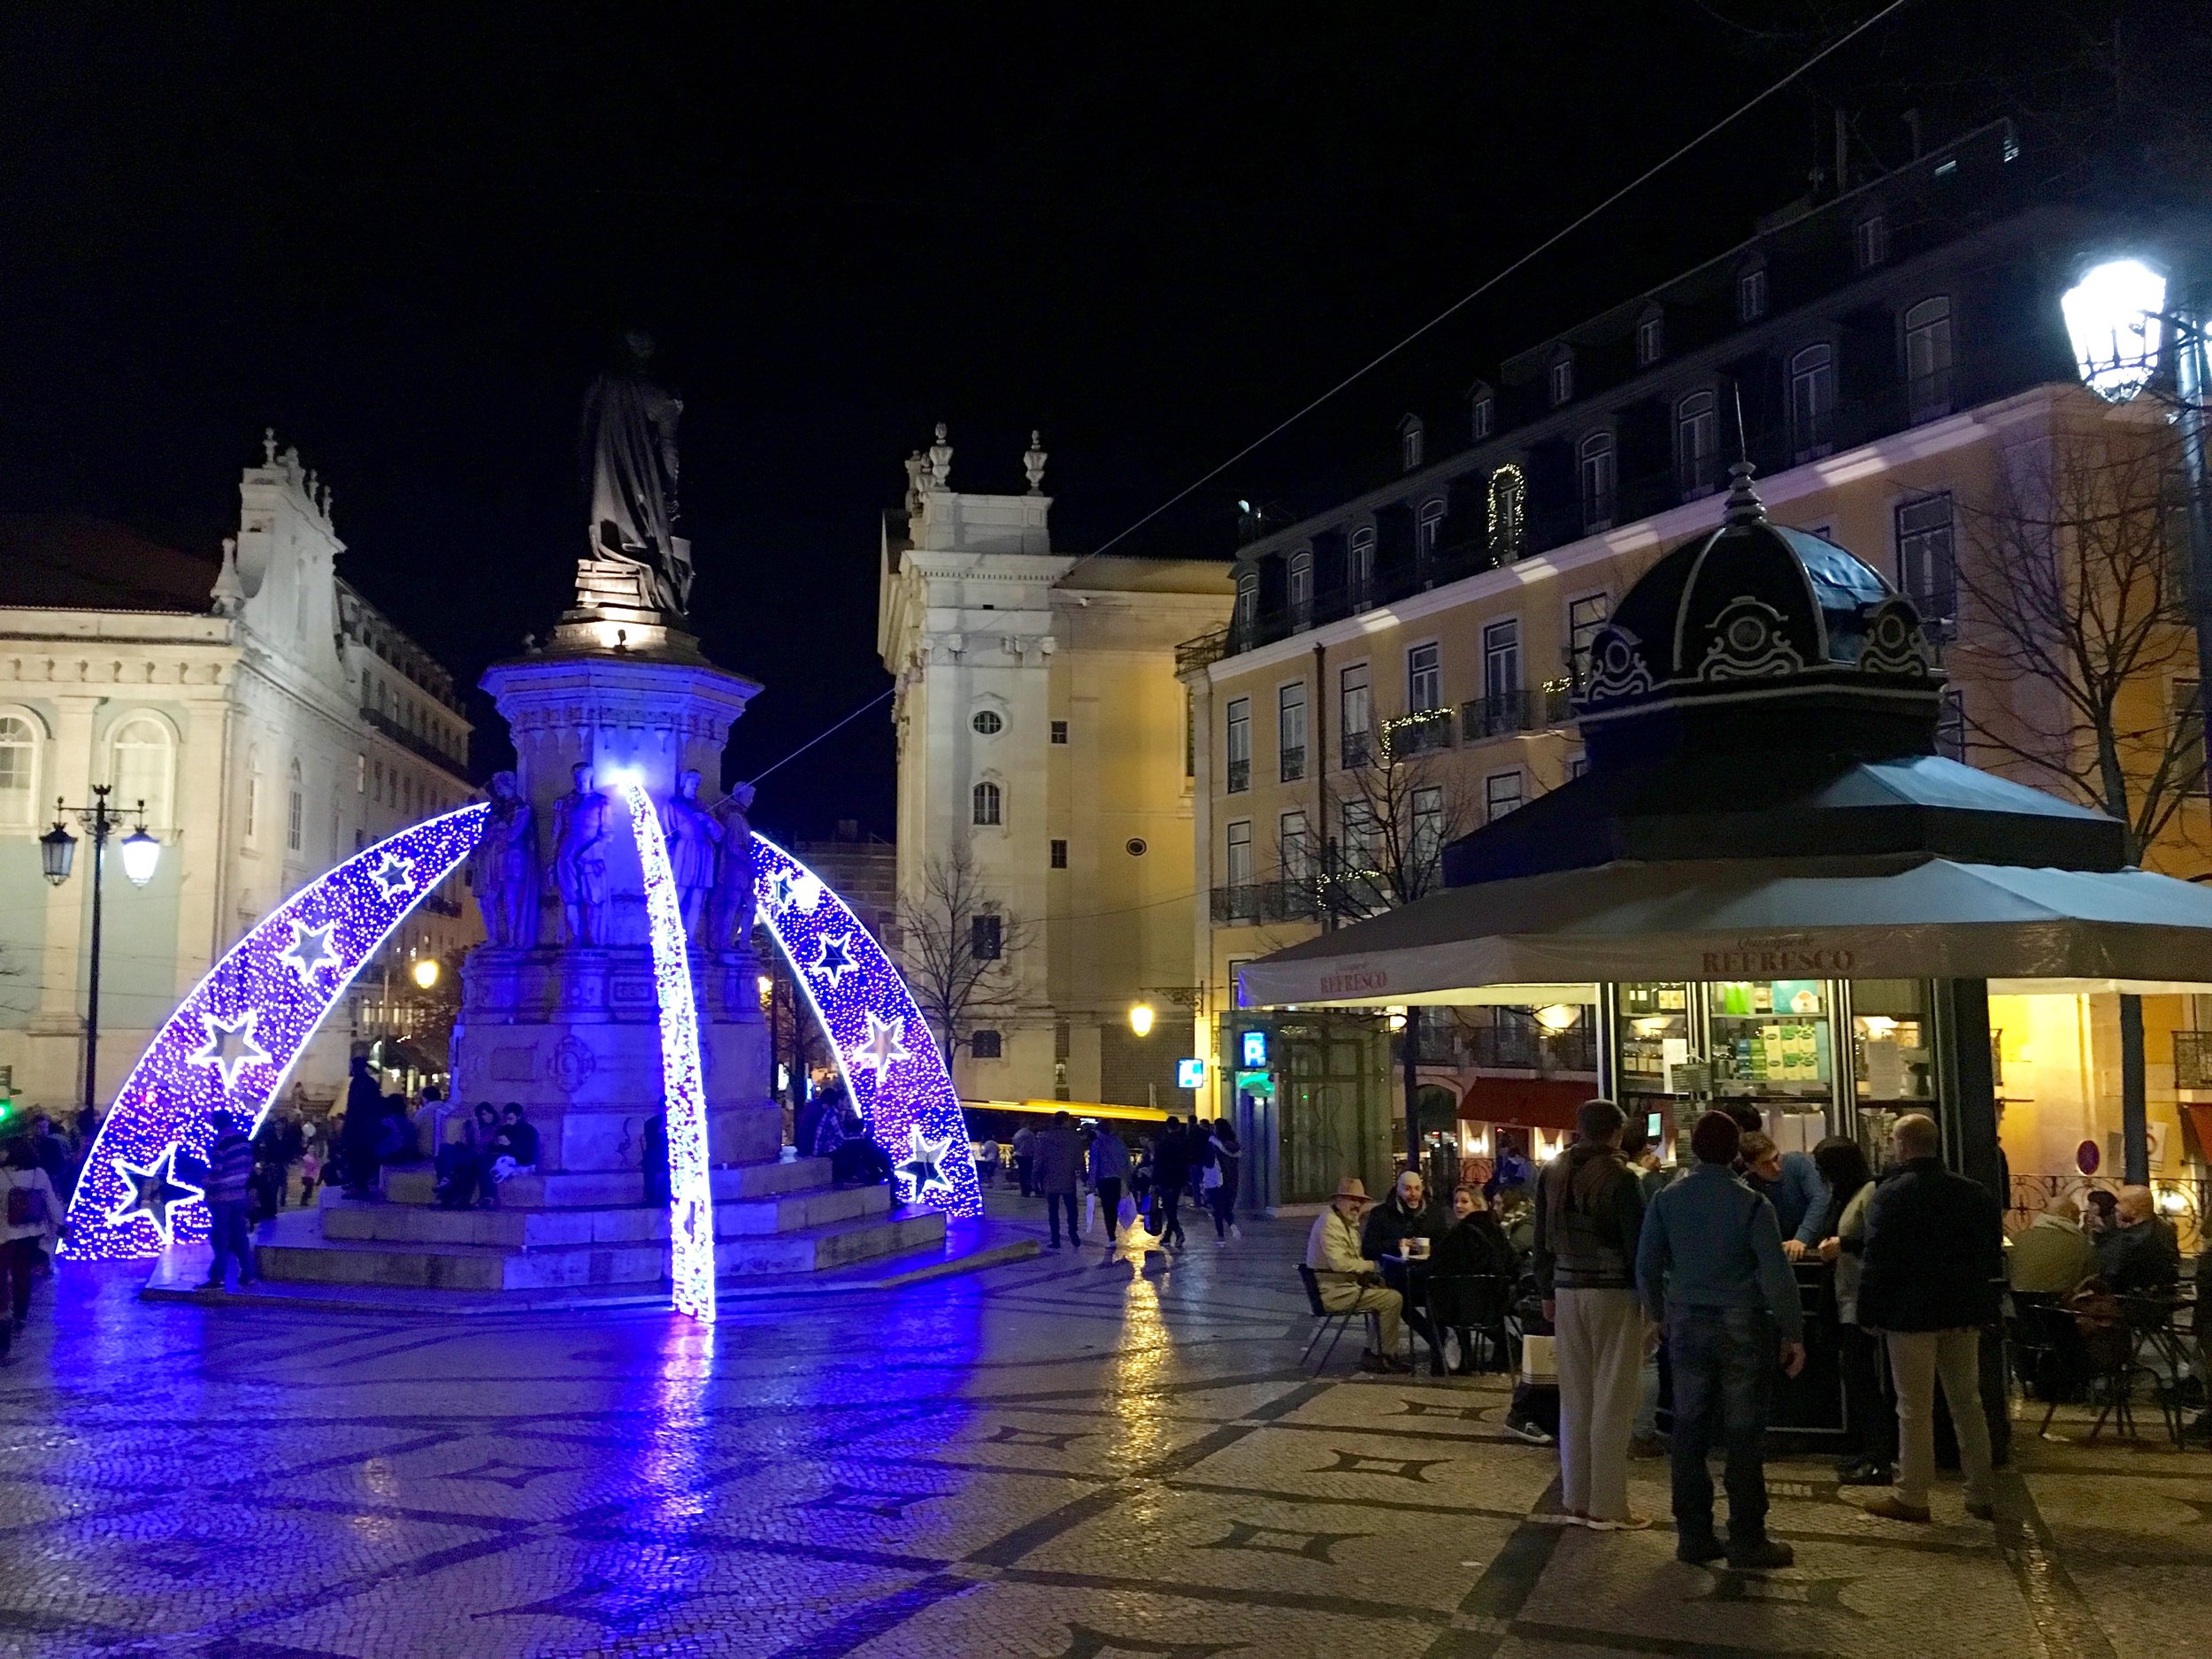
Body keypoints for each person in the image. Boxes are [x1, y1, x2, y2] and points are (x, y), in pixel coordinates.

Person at [1637, 1110, 1804, 1568]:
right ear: (1735, 1152)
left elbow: (1647, 1262)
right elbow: (1776, 1273)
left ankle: (1693, 1534)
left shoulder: (1668, 1200)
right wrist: (1793, 1331)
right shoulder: (1752, 1204)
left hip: (1688, 1321)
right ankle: (1748, 1536)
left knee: (1689, 1428)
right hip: (1743, 1324)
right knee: (1744, 1430)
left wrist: (1657, 1313)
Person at [1855, 1112, 2001, 1525]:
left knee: (1913, 1406)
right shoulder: (1974, 1194)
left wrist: (1869, 1312)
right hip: (1962, 1311)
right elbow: (1990, 1256)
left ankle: (1913, 1494)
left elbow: (1877, 1259)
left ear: (1902, 1145)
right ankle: (1980, 1492)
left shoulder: (1891, 1195)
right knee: (1968, 1402)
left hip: (1910, 1314)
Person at [1532, 1098, 1649, 1531]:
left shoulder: (1554, 1170)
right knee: (1614, 1397)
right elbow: (1636, 1245)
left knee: (1576, 1395)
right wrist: (1652, 1299)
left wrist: (1546, 1288)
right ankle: (1608, 1505)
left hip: (1565, 1289)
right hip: (1612, 1292)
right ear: (1616, 1133)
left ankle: (1575, 1496)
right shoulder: (1621, 1177)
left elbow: (1542, 1237)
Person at [1811, 1135, 1892, 1486]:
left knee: (1862, 1377)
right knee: (1855, 1376)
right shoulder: (1844, 1194)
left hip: (1861, 1299)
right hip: (1845, 1297)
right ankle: (1867, 1450)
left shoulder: (1869, 1193)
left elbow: (1881, 1241)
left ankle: (1879, 1457)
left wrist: (1843, 1244)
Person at [1304, 1176, 1408, 1373]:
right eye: (1353, 1199)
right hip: (1333, 1293)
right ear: (1339, 1200)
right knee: (1392, 1299)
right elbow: (1340, 1263)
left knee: (1385, 1290)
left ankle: (1376, 1351)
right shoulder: (1331, 1223)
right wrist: (1369, 1266)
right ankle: (1383, 1355)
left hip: (1344, 1287)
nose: (1357, 1205)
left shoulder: (1346, 1224)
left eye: (1361, 1201)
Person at [1432, 1184, 1517, 1373]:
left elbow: (1438, 1266)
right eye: (1456, 1201)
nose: (1458, 1206)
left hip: (1468, 1306)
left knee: (1436, 1298)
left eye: (1464, 1201)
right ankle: (1505, 1343)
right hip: (1498, 1302)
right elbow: (1512, 1262)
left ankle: (1453, 1361)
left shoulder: (1459, 1234)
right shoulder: (1497, 1231)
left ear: (1477, 1204)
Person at [1, 1137, 62, 1357]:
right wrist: (61, 1224)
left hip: (5, 1235)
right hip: (31, 1234)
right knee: (22, 1275)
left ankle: (4, 1317)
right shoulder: (39, 1174)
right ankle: (20, 1316)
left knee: (2, 1278)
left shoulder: (2, 1176)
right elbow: (51, 1203)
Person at [1735, 1128, 1826, 1256]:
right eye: (1766, 1163)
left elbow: (1820, 1199)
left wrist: (1801, 1238)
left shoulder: (1797, 1163)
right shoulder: (1746, 1187)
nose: (1776, 1167)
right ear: (1751, 1167)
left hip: (1813, 1245)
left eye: (1776, 1158)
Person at [202, 1109, 257, 1291]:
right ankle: (248, 1274)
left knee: (221, 1236)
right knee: (240, 1235)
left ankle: (217, 1277)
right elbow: (249, 1166)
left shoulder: (221, 1143)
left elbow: (218, 1171)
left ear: (217, 1123)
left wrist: (205, 1181)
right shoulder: (244, 1141)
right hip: (240, 1193)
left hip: (222, 1197)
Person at [2008, 1190, 2099, 1296]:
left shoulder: (2019, 1238)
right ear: (2069, 1215)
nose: (2079, 1221)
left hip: (2018, 1304)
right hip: (2059, 1307)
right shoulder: (2082, 1245)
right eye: (2077, 1216)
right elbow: (2088, 1281)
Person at [2095, 1185, 2181, 1294]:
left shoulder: (2131, 1239)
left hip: (2128, 1300)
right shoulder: (2165, 1229)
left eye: (2120, 1202)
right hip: (2158, 1296)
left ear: (2134, 1211)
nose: (2116, 1207)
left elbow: (2106, 1269)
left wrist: (2103, 1233)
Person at [1030, 1110, 1086, 1250]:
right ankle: (1073, 1233)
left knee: (1053, 1210)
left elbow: (1038, 1159)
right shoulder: (1073, 1138)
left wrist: (1034, 1177)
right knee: (1072, 1209)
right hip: (1068, 1178)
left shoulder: (1044, 1137)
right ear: (1066, 1121)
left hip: (1050, 1178)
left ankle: (1055, 1238)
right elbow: (1080, 1159)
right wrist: (1084, 1176)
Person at [341, 1055, 384, 1199]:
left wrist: (349, 1124)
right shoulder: (369, 1082)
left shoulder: (359, 1083)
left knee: (356, 1155)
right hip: (365, 1125)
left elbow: (354, 1106)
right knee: (359, 1155)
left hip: (359, 1127)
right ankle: (357, 1183)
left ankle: (358, 1185)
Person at [1088, 1120, 1131, 1255]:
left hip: (1104, 1180)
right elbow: (1126, 1163)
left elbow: (1094, 1165)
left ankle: (1111, 1237)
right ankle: (1119, 1227)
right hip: (1117, 1180)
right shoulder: (1119, 1143)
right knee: (1116, 1206)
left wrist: (1091, 1184)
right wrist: (1127, 1181)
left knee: (1108, 1209)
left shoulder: (1097, 1144)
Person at [1150, 1118, 1191, 1249]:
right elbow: (1187, 1162)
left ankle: (1179, 1233)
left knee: (1169, 1209)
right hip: (1179, 1179)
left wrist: (1154, 1181)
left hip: (1166, 1179)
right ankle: (1167, 1236)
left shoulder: (1163, 1142)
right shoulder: (1184, 1142)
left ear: (1167, 1127)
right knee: (1171, 1207)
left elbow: (1158, 1164)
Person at [1204, 1118, 1242, 1242]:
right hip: (1232, 1178)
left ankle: (1221, 1235)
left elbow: (1208, 1160)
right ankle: (1233, 1226)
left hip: (1217, 1177)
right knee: (1227, 1206)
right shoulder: (1234, 1144)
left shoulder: (1214, 1143)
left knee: (1217, 1207)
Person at [434, 1114, 479, 1209]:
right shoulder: (469, 1127)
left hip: (476, 1154)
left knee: (448, 1158)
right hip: (464, 1150)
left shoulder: (493, 1129)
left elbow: (480, 1146)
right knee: (443, 1149)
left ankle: (445, 1182)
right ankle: (445, 1180)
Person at [642, 1108, 672, 1207]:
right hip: (658, 1155)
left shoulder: (652, 1122)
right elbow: (651, 1142)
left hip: (665, 1154)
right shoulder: (651, 1123)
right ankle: (654, 1197)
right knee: (654, 1160)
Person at [1010, 1122, 1038, 1198]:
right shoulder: (1030, 1134)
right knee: (1028, 1173)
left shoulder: (1018, 1134)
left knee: (1022, 1173)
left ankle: (1024, 1190)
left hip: (1019, 1155)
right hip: (1028, 1156)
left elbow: (1014, 1143)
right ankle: (1028, 1189)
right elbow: (1034, 1145)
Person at [297, 1144, 322, 1208]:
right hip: (306, 1175)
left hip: (312, 1176)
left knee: (309, 1188)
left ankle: (305, 1200)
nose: (312, 1150)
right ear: (308, 1150)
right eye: (311, 1148)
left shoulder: (315, 1158)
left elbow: (316, 1166)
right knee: (308, 1188)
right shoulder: (306, 1158)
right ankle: (303, 1201)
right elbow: (305, 1167)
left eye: (313, 1148)